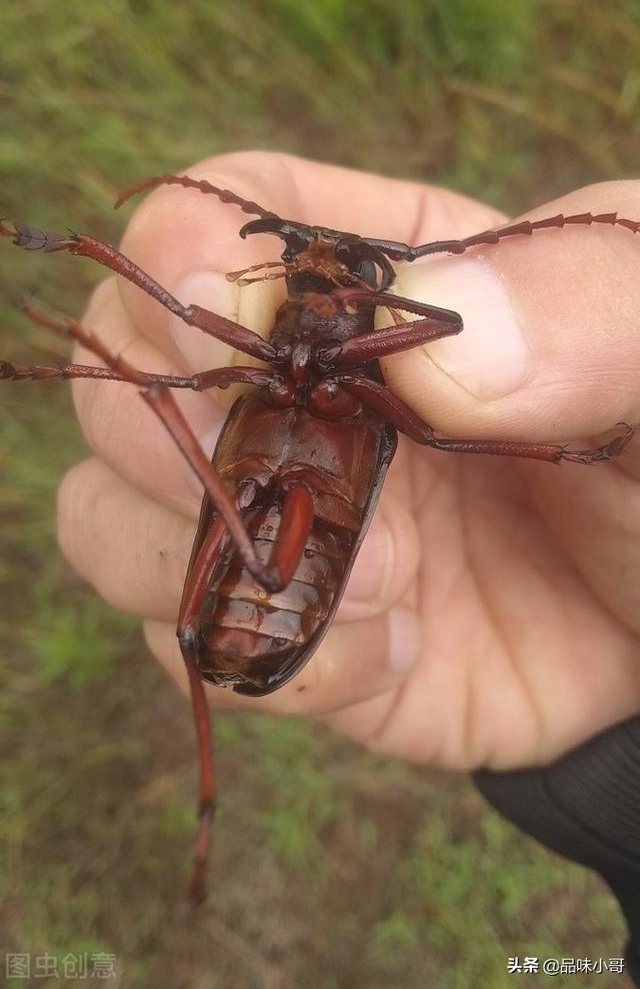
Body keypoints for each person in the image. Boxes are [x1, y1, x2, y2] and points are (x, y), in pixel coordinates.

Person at [56, 151, 640, 976]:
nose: (317, 284)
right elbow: (189, 315)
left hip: (287, 539)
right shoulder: (272, 368)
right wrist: (93, 257)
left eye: (347, 280)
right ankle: (209, 806)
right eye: (302, 272)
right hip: (274, 521)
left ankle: (206, 803)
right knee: (200, 557)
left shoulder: (376, 383)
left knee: (209, 608)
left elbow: (445, 336)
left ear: (369, 305)